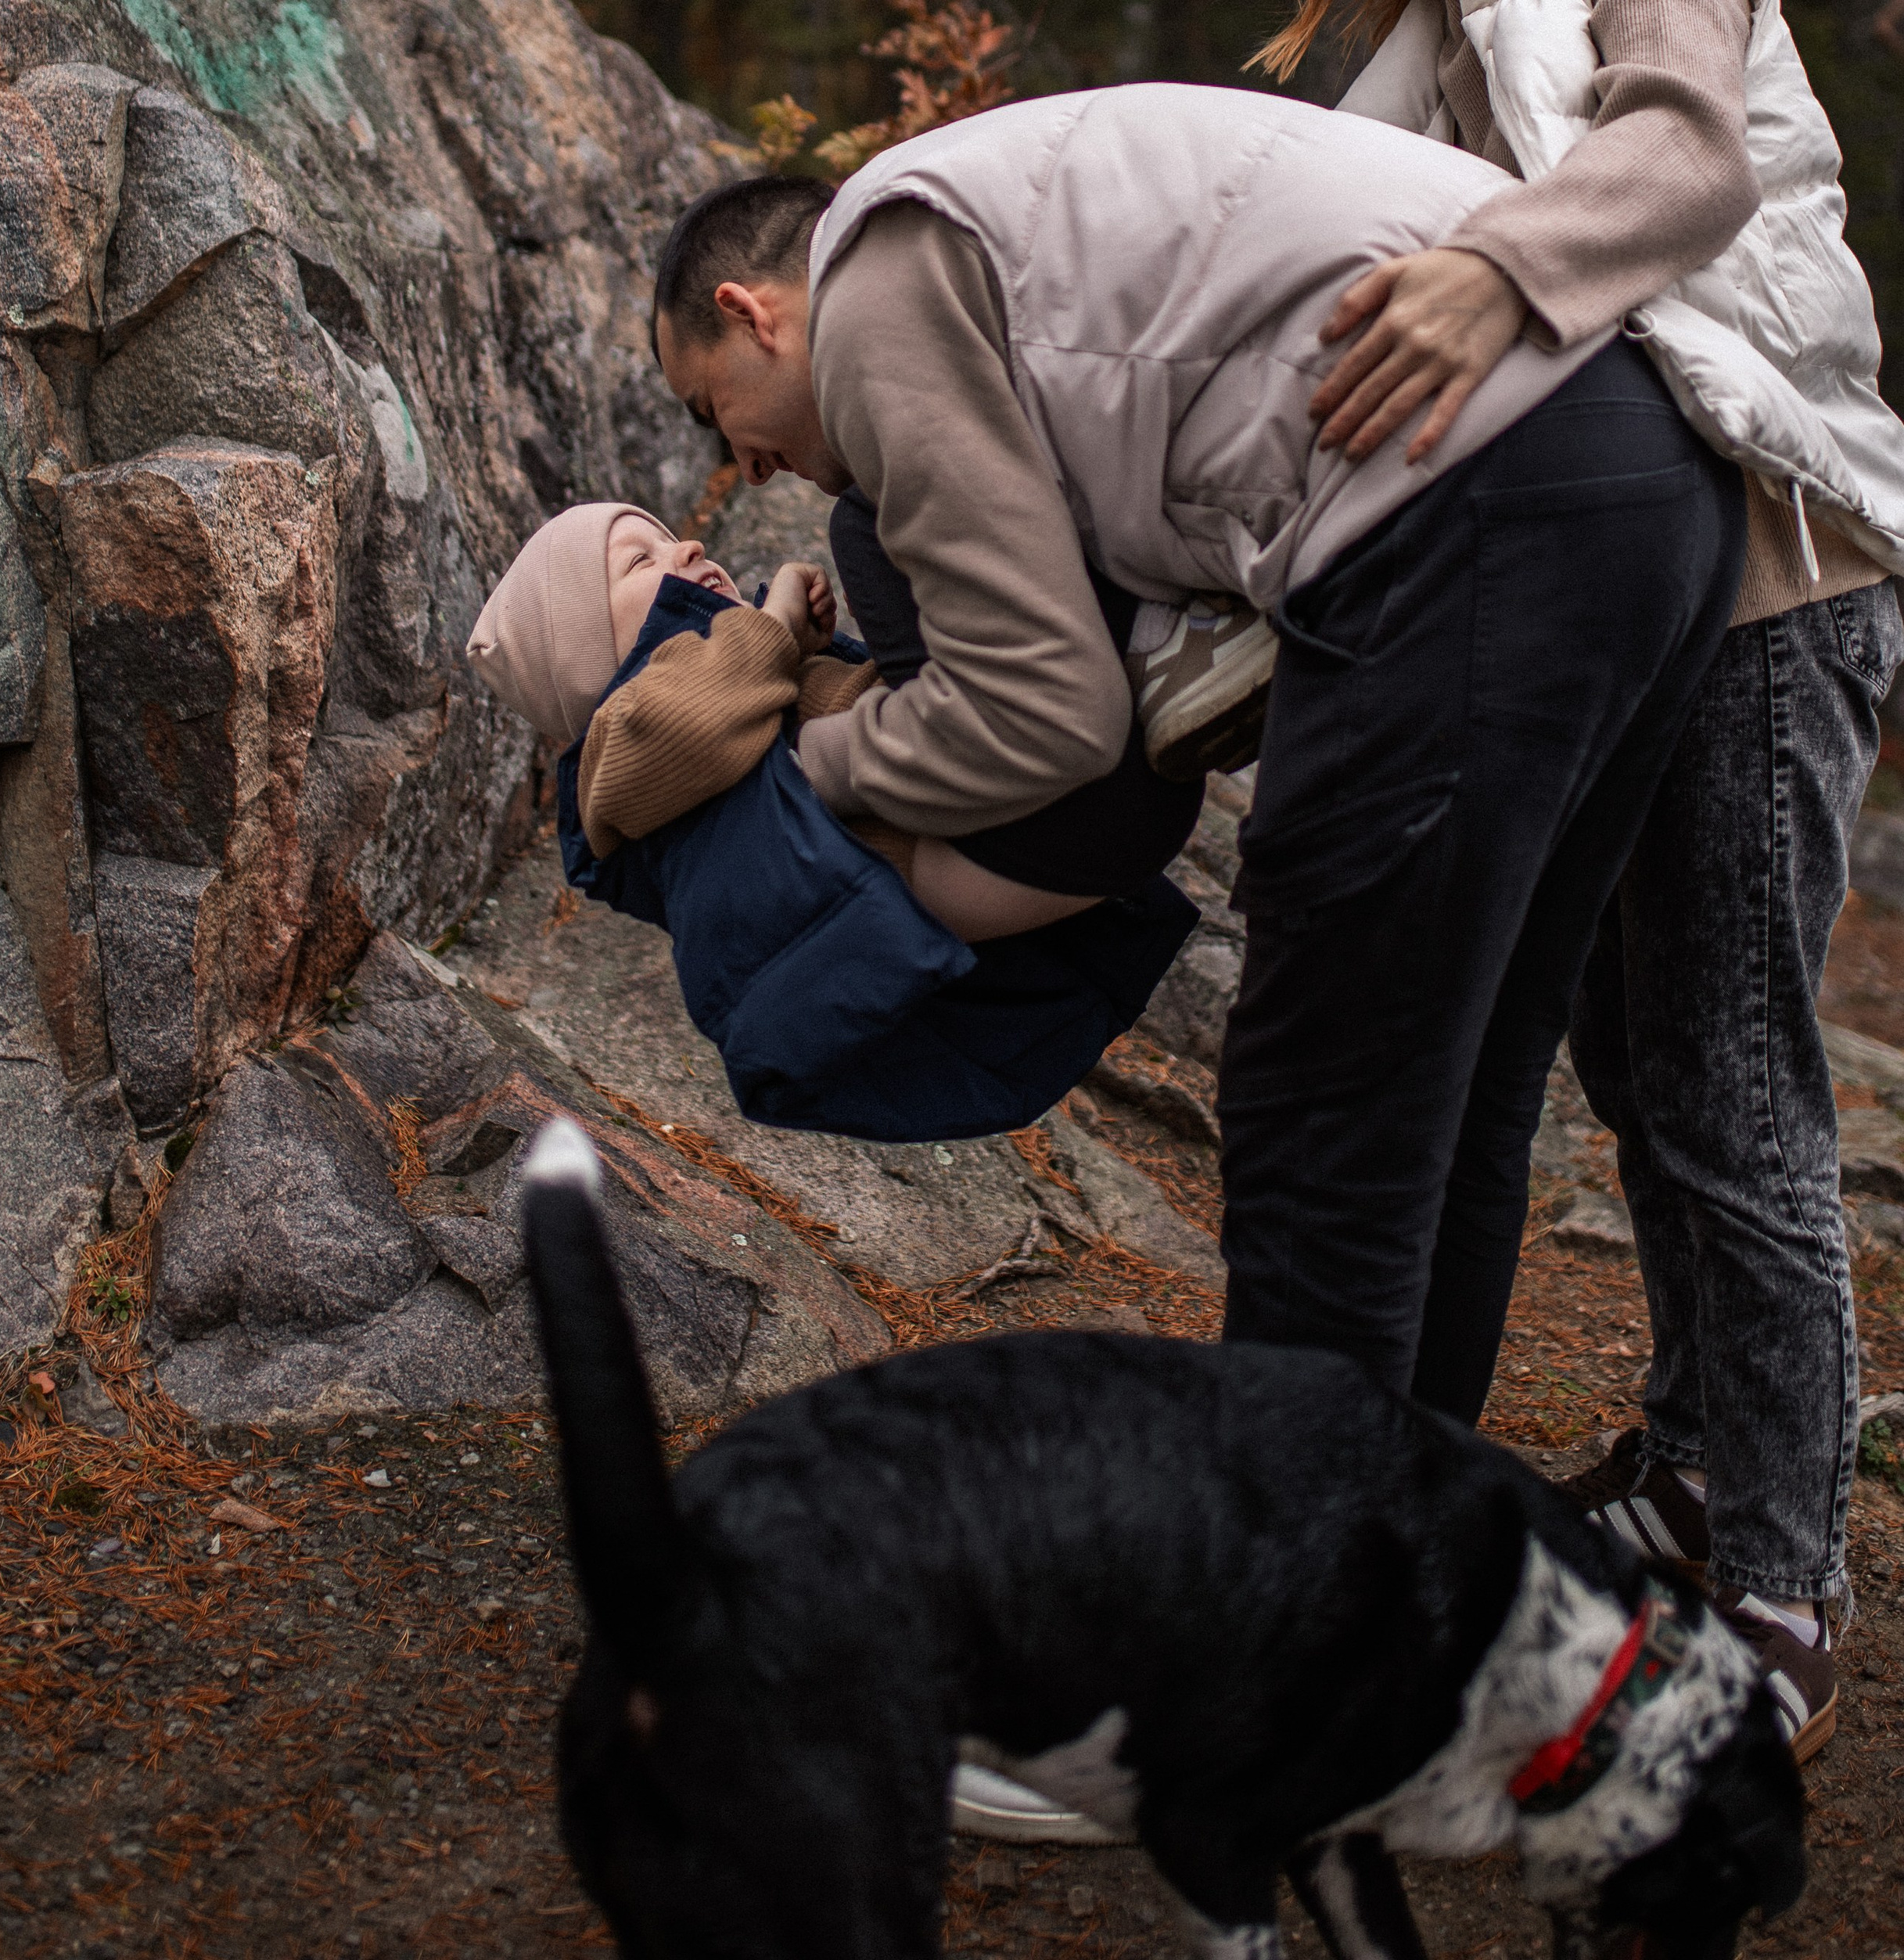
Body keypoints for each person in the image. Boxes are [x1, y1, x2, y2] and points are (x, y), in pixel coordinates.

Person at [650, 105, 1746, 1438]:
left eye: (719, 412)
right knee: (1455, 1088)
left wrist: (803, 768)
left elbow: (1043, 715)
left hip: (1459, 497)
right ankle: (1399, 1563)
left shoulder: (876, 280)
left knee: (1318, 1111)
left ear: (753, 311)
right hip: (1656, 476)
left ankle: (1289, 1603)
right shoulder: (1003, 214)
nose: (741, 460)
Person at [1229, 0, 1904, 1760]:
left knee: (1725, 1080)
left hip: (1772, 562)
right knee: (1630, 1053)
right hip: (1597, 607)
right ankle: (1704, 1463)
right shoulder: (1419, 51)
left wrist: (1500, 277)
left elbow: (1682, 157)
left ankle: (1783, 1569)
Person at [465, 498, 1198, 1142]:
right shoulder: (618, 741)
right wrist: (778, 625)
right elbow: (674, 723)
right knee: (874, 526)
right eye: (639, 560)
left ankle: (1171, 646)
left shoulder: (734, 683)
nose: (686, 548)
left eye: (671, 537)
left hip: (1039, 835)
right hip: (974, 857)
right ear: (591, 655)